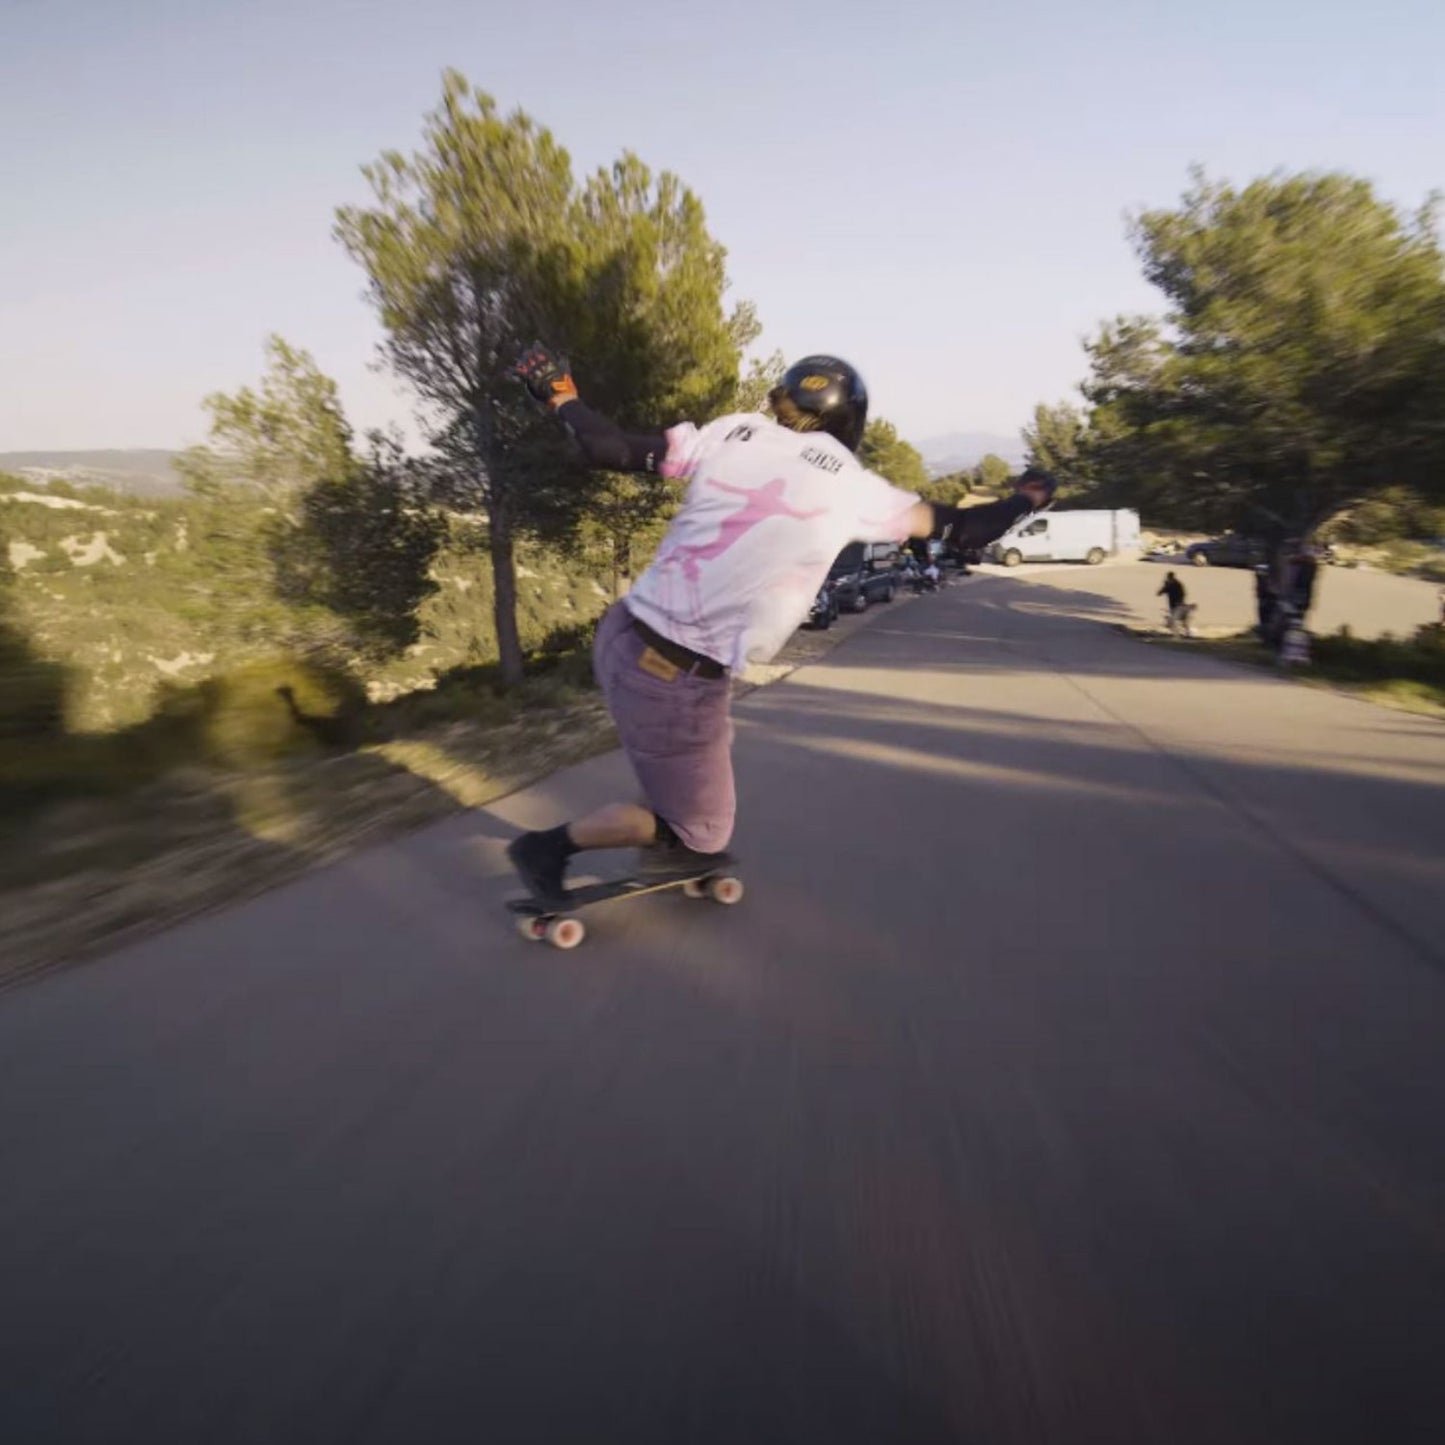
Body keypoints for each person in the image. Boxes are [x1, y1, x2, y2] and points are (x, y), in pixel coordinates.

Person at [504, 346, 1056, 903]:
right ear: (851, 421)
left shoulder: (736, 433)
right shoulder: (853, 488)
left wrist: (562, 398)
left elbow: (609, 446)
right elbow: (964, 530)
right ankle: (551, 848)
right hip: (672, 673)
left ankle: (670, 829)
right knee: (706, 833)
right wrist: (1024, 501)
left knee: (704, 759)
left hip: (626, 633)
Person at [1158, 570, 1192, 637]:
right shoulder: (1168, 584)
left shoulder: (1178, 584)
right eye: (1169, 578)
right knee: (1176, 620)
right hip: (1173, 605)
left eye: (1170, 578)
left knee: (1180, 620)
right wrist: (1162, 589)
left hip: (1179, 605)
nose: (1169, 579)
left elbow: (1183, 594)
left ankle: (1185, 633)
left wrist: (1179, 602)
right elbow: (1161, 591)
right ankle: (1178, 634)